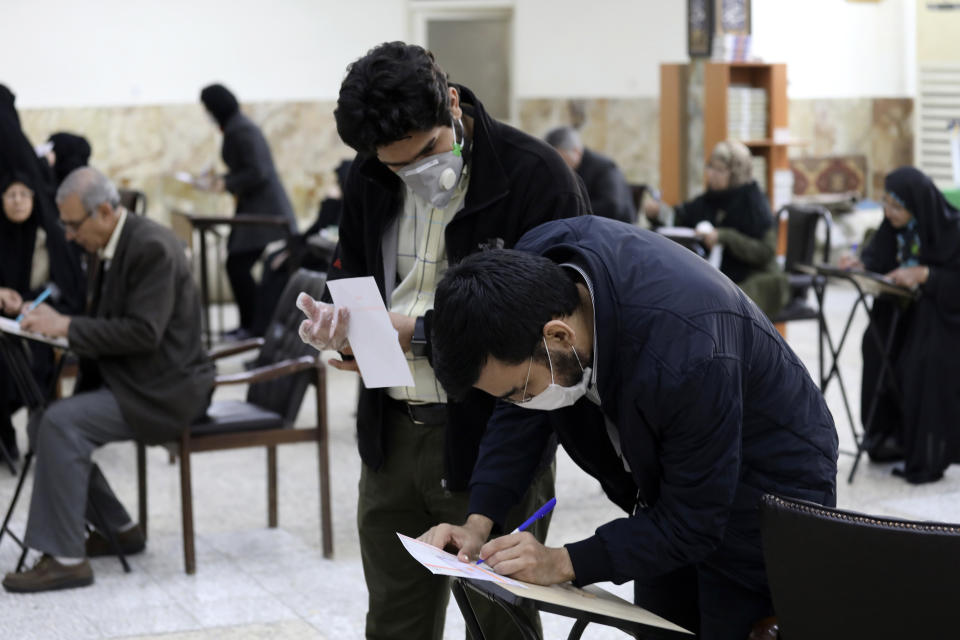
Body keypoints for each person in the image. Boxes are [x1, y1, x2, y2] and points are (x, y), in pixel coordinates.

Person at [419, 216, 839, 640]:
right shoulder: (530, 281)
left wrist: (563, 561)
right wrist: (478, 522)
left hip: (767, 481)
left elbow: (695, 521)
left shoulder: (685, 353)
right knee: (660, 624)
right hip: (673, 477)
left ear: (559, 336)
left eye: (518, 390)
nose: (518, 403)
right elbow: (518, 413)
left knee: (729, 621)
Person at [297, 42, 588, 640]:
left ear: (451, 104)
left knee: (500, 623)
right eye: (395, 165)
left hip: (494, 438)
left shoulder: (535, 177)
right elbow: (350, 275)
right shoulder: (371, 174)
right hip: (393, 433)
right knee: (394, 621)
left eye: (427, 153)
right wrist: (341, 325)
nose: (412, 174)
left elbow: (557, 329)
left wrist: (421, 335)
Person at [1, 167, 214, 593]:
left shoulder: (151, 246)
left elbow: (142, 333)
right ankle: (121, 527)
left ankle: (65, 559)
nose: (67, 234)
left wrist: (67, 328)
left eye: (72, 224)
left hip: (164, 390)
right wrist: (49, 322)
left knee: (61, 423)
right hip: (135, 379)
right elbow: (107, 321)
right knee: (44, 420)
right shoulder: (112, 244)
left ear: (103, 212)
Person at [838, 166, 960, 483]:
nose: (888, 212)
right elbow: (879, 258)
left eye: (896, 206)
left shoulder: (952, 230)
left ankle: (929, 452)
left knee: (923, 356)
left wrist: (924, 275)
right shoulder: (892, 228)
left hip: (943, 315)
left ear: (917, 206)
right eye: (885, 203)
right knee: (875, 342)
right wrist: (860, 263)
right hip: (902, 309)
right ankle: (886, 438)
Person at [644, 140, 789, 319]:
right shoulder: (711, 199)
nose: (711, 174)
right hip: (724, 277)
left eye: (719, 170)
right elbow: (681, 217)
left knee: (722, 305)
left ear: (735, 173)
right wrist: (659, 212)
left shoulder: (754, 203)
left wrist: (725, 237)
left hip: (758, 279)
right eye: (710, 167)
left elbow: (765, 252)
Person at [199, 83, 297, 341]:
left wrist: (227, 183)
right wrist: (224, 180)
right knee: (236, 266)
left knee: (237, 266)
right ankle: (251, 324)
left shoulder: (241, 129)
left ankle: (255, 326)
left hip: (265, 212)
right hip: (255, 210)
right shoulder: (237, 127)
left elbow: (258, 172)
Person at [0, 171, 85, 462]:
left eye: (25, 194)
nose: (18, 201)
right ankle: (5, 437)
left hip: (40, 319)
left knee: (34, 357)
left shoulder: (47, 234)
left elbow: (66, 287)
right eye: (11, 195)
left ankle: (40, 437)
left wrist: (31, 302)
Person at [250, 159, 351, 337]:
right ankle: (262, 326)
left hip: (322, 259)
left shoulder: (348, 205)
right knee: (273, 259)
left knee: (282, 273)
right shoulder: (334, 203)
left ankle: (269, 329)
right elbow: (314, 231)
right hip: (311, 252)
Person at [545, 126, 635, 224]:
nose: (557, 164)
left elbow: (612, 207)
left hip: (614, 230)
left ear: (576, 151)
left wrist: (570, 209)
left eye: (560, 159)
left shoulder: (605, 167)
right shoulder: (566, 169)